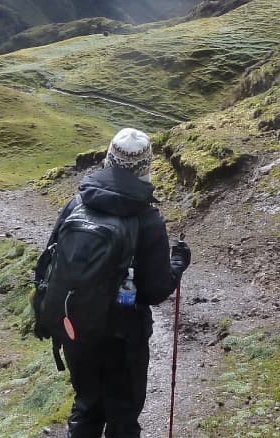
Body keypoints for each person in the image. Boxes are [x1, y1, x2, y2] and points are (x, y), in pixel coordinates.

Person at [45, 128, 191, 438]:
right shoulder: (148, 220)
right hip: (124, 338)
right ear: (145, 168)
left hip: (76, 328)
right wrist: (177, 265)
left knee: (87, 405)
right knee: (123, 415)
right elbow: (154, 290)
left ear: (109, 161)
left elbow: (48, 260)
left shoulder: (77, 204)